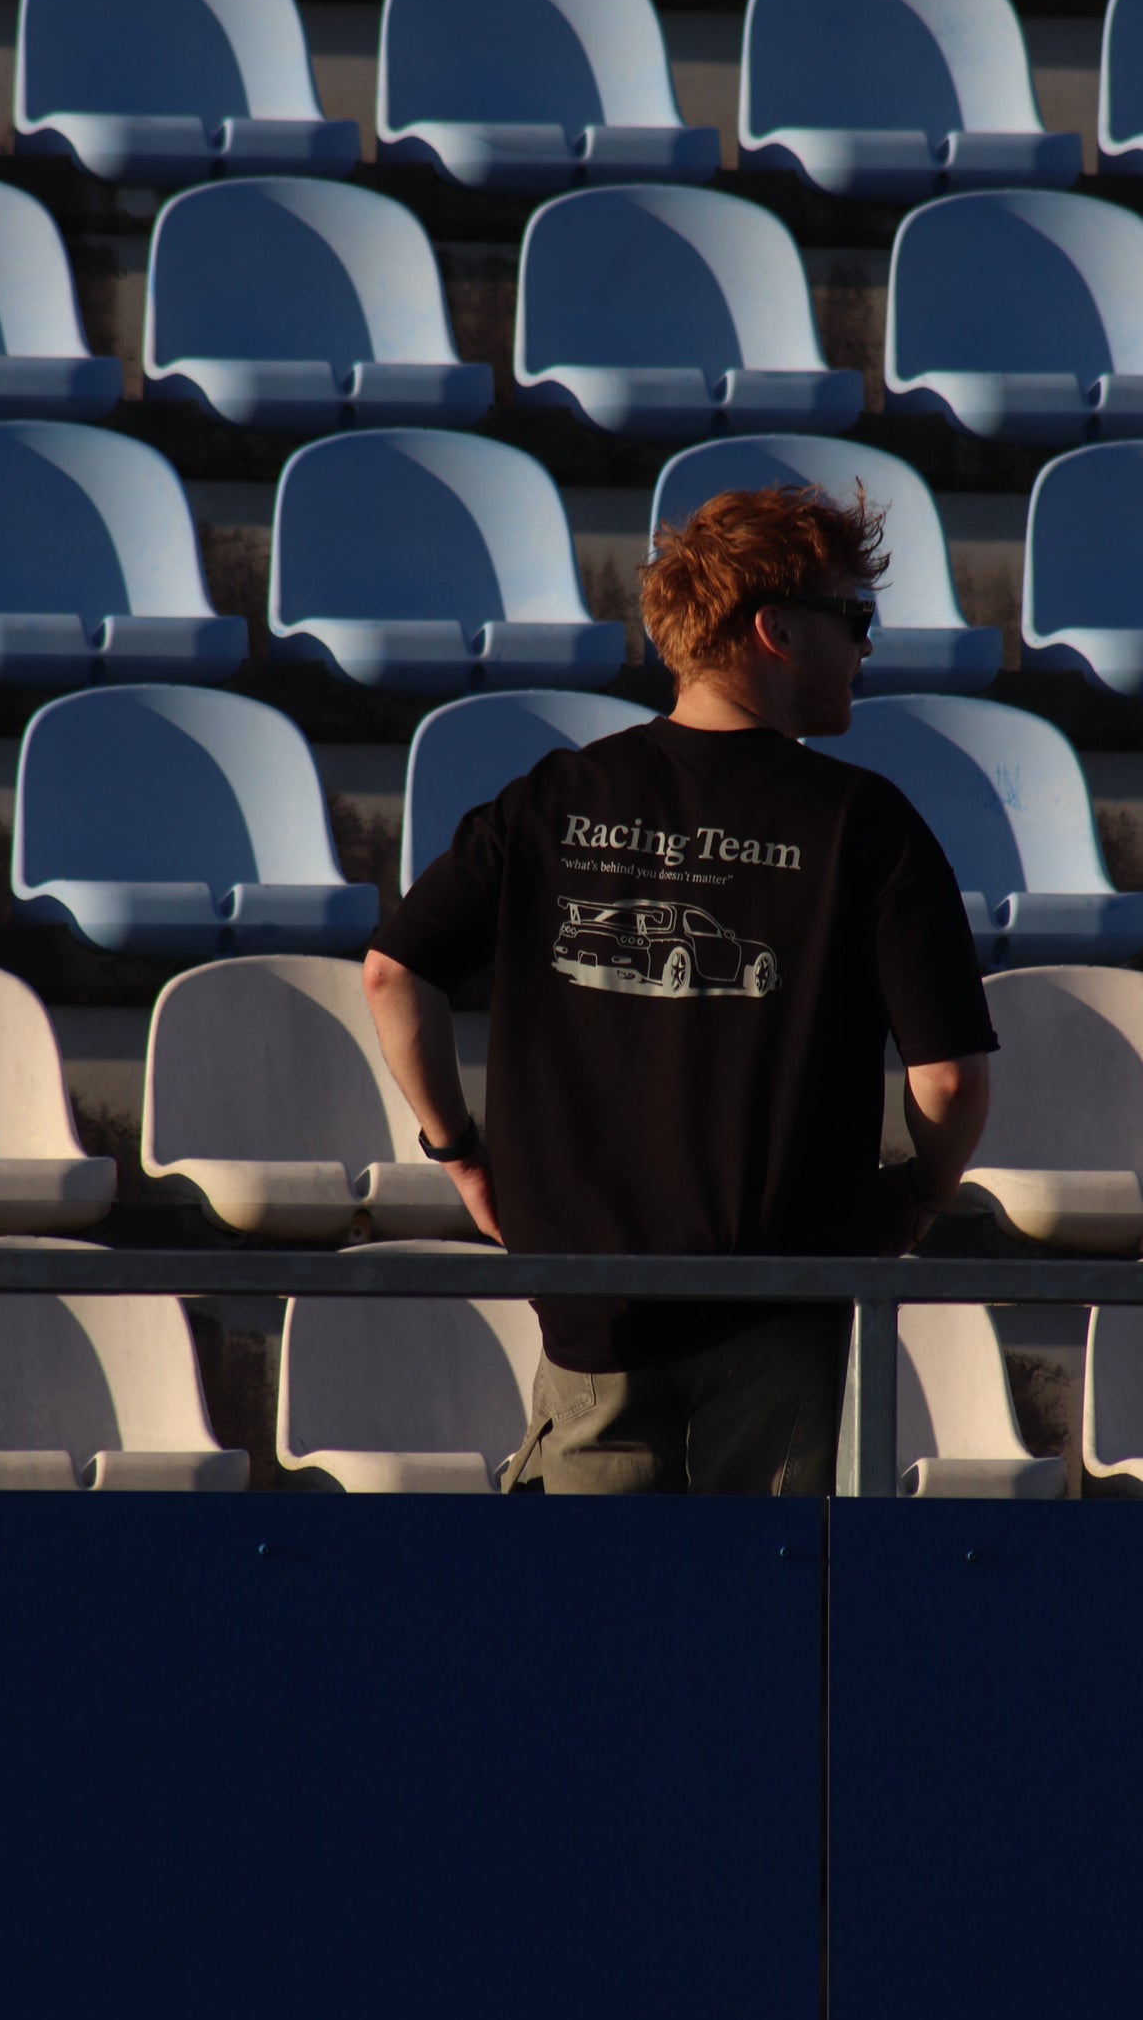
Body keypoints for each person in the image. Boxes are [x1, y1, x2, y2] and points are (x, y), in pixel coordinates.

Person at [362, 485, 996, 1496]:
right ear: (776, 628)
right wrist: (918, 1195)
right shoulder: (862, 822)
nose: (866, 650)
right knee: (765, 1621)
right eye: (855, 619)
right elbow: (950, 1085)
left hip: (587, 1303)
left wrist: (461, 1157)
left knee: (594, 1627)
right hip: (780, 1301)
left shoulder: (553, 797)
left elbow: (393, 974)